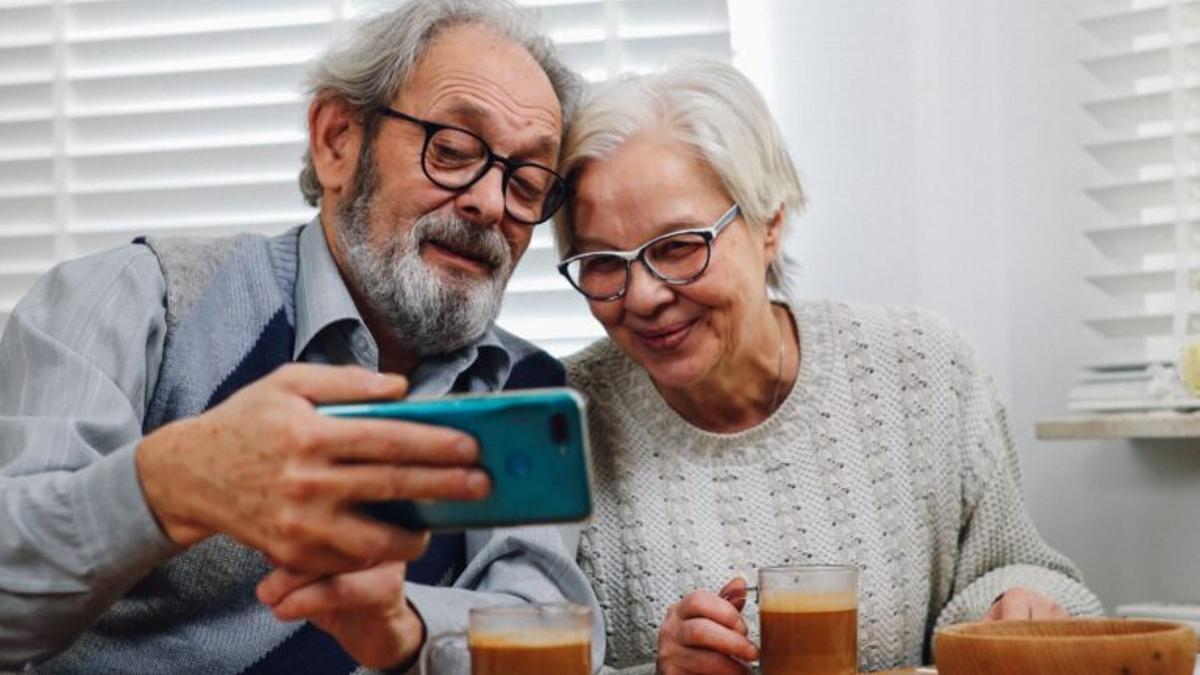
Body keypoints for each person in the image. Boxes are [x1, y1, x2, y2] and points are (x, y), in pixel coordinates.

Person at [0, 1, 604, 673]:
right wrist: (170, 483)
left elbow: (548, 635)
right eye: (454, 149)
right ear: (338, 139)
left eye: (525, 182)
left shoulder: (524, 393)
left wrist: (403, 628)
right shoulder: (133, 300)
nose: (492, 203)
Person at [553, 60, 1103, 675]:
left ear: (770, 224)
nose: (643, 296)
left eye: (680, 246)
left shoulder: (923, 369)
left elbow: (1021, 566)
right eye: (602, 261)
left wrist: (1014, 605)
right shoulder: (559, 420)